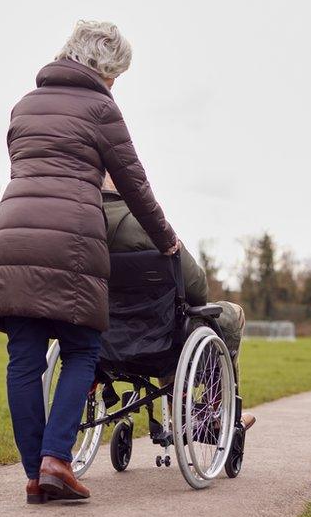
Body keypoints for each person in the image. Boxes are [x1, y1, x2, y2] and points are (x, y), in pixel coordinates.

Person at [0, 20, 180, 504]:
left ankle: (37, 475)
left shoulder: (23, 105)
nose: (115, 84)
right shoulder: (101, 108)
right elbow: (134, 183)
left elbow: (25, 169)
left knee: (24, 357)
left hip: (12, 233)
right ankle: (56, 461)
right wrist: (166, 240)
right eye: (116, 74)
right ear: (104, 69)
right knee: (82, 349)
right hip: (70, 238)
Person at [101, 177, 256, 430]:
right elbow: (197, 289)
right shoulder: (148, 223)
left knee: (167, 321)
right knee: (230, 313)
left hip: (105, 336)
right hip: (157, 338)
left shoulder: (80, 224)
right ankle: (218, 409)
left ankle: (179, 410)